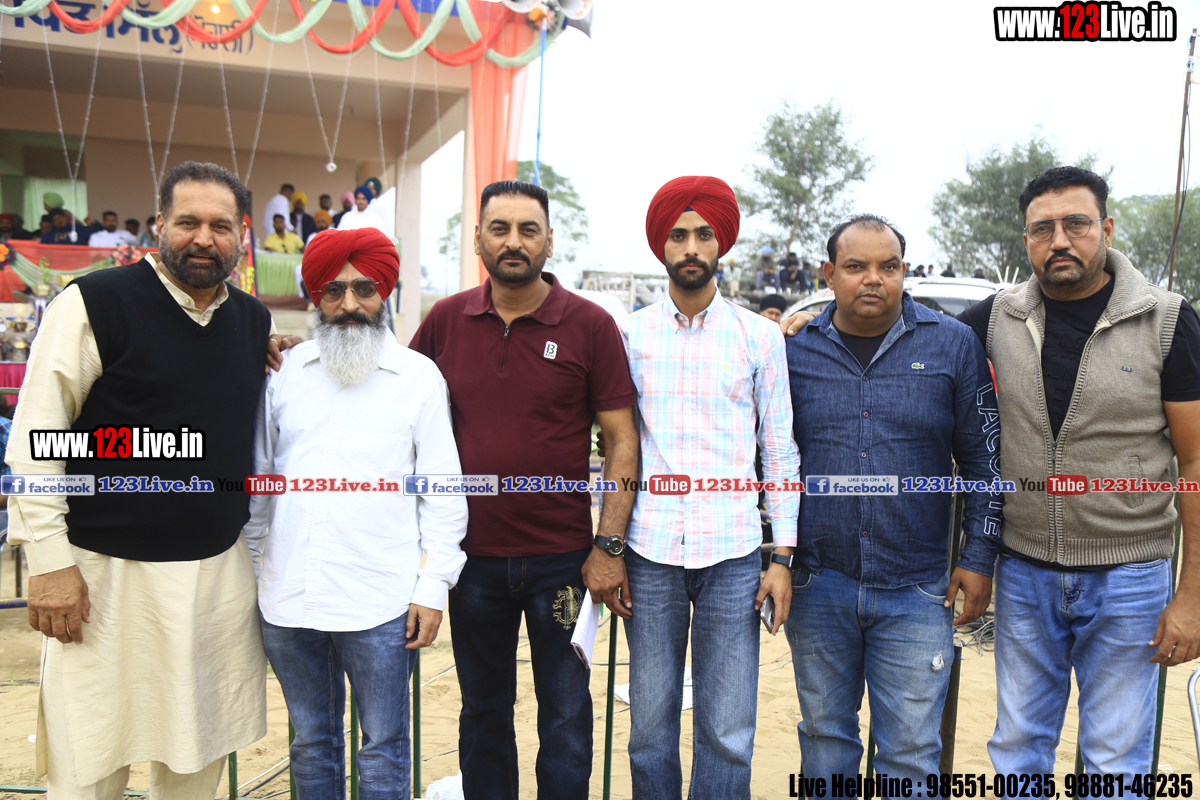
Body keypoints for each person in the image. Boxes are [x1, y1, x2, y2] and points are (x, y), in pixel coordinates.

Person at [7, 161, 281, 798]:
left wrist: (281, 345)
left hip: (214, 578)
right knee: (90, 758)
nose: (203, 238)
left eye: (220, 226)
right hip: (101, 578)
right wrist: (49, 563)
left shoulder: (251, 321)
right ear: (159, 224)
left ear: (241, 235)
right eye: (187, 222)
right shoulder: (94, 303)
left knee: (196, 755)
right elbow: (35, 442)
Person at [954, 166, 1200, 775]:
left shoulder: (1167, 320)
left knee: (1115, 759)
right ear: (1026, 240)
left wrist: (1192, 595)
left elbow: (1195, 462)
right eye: (1043, 229)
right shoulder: (996, 317)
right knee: (1017, 749)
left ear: (1107, 229)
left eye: (1076, 224)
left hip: (1131, 578)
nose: (1059, 240)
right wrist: (811, 324)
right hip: (1023, 573)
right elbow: (915, 338)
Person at [411, 179, 639, 800]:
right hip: (472, 564)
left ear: (549, 240)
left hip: (563, 562)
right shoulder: (444, 321)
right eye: (500, 228)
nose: (514, 241)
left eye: (528, 229)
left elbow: (622, 440)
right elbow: (395, 401)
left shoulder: (590, 325)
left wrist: (608, 547)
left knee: (565, 716)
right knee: (483, 710)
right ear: (478, 239)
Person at [246, 227, 467, 800]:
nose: (349, 304)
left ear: (384, 293)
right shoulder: (285, 373)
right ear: (315, 297)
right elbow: (260, 482)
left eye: (364, 289)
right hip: (289, 597)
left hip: (382, 601)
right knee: (310, 742)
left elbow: (443, 493)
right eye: (334, 290)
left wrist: (433, 587)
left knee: (384, 746)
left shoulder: (418, 377)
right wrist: (251, 568)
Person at [783, 213, 1002, 781]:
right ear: (829, 274)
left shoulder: (952, 343)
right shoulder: (793, 350)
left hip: (918, 588)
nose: (873, 279)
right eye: (856, 266)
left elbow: (983, 461)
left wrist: (978, 557)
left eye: (889, 266)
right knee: (825, 741)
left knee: (910, 753)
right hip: (818, 583)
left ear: (905, 272)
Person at [621, 176, 799, 798]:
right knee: (649, 728)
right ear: (661, 245)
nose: (691, 247)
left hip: (734, 553)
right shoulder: (630, 336)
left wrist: (782, 556)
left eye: (703, 234)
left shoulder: (759, 336)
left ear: (721, 243)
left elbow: (779, 450)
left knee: (727, 729)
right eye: (678, 235)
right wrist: (610, 547)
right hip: (649, 552)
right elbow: (617, 446)